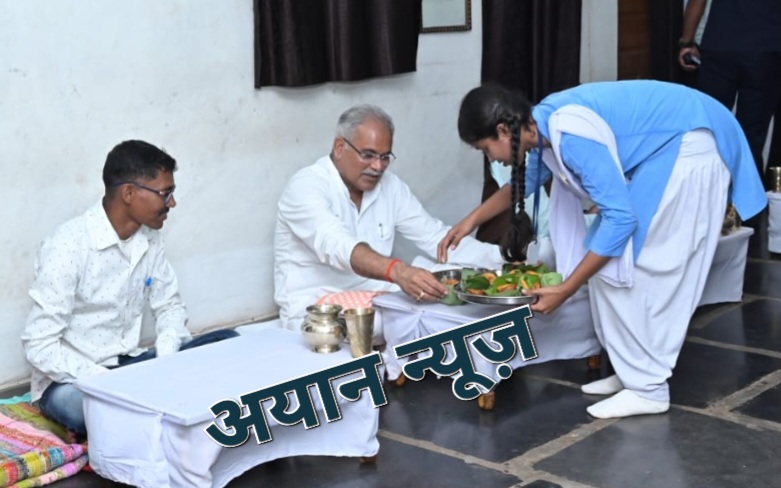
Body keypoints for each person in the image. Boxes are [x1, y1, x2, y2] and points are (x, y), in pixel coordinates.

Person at [438, 80, 767, 419]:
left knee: (643, 269)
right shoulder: (539, 127)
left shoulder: (569, 136)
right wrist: (469, 222)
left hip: (692, 145)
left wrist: (567, 288)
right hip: (671, 145)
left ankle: (649, 389)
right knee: (608, 266)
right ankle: (632, 372)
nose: (490, 158)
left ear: (503, 131)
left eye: (485, 148)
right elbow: (523, 183)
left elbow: (620, 220)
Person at [21, 140, 239, 437]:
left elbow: (170, 306)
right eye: (165, 193)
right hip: (74, 379)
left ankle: (147, 404)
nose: (172, 203)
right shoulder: (68, 246)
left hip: (134, 366)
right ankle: (155, 404)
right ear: (128, 193)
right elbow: (39, 345)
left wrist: (166, 360)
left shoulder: (149, 239)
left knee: (228, 341)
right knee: (78, 407)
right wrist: (109, 383)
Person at [274, 105, 505, 380]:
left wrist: (504, 260)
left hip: (380, 298)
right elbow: (339, 247)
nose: (377, 166)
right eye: (368, 155)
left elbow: (435, 238)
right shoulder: (306, 187)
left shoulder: (390, 186)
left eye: (385, 157)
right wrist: (398, 271)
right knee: (427, 309)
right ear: (339, 147)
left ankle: (439, 360)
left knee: (450, 285)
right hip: (319, 311)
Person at [678, 0, 781, 180]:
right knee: (752, 134)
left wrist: (686, 41)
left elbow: (698, 2)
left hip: (720, 45)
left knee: (709, 128)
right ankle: (748, 193)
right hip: (766, 48)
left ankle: (706, 187)